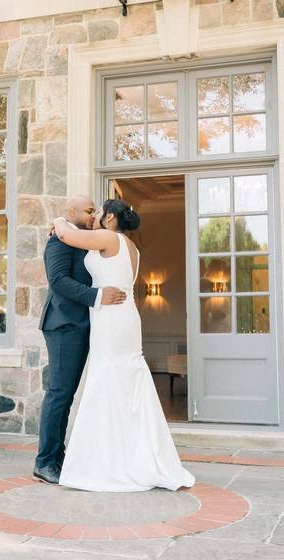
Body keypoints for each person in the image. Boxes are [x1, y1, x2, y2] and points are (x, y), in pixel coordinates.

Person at [51, 199, 195, 492]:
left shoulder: (108, 237)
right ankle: (130, 454)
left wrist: (58, 221)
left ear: (111, 217)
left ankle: (108, 461)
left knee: (108, 379)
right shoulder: (133, 247)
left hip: (111, 317)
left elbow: (67, 236)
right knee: (125, 381)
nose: (96, 217)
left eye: (99, 213)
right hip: (125, 316)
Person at [33, 195, 127, 485]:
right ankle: (45, 462)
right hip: (63, 324)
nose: (91, 215)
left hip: (84, 325)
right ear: (70, 212)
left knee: (67, 395)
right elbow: (58, 280)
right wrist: (98, 296)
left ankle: (59, 456)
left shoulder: (83, 238)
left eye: (94, 211)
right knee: (59, 393)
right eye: (87, 211)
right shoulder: (59, 240)